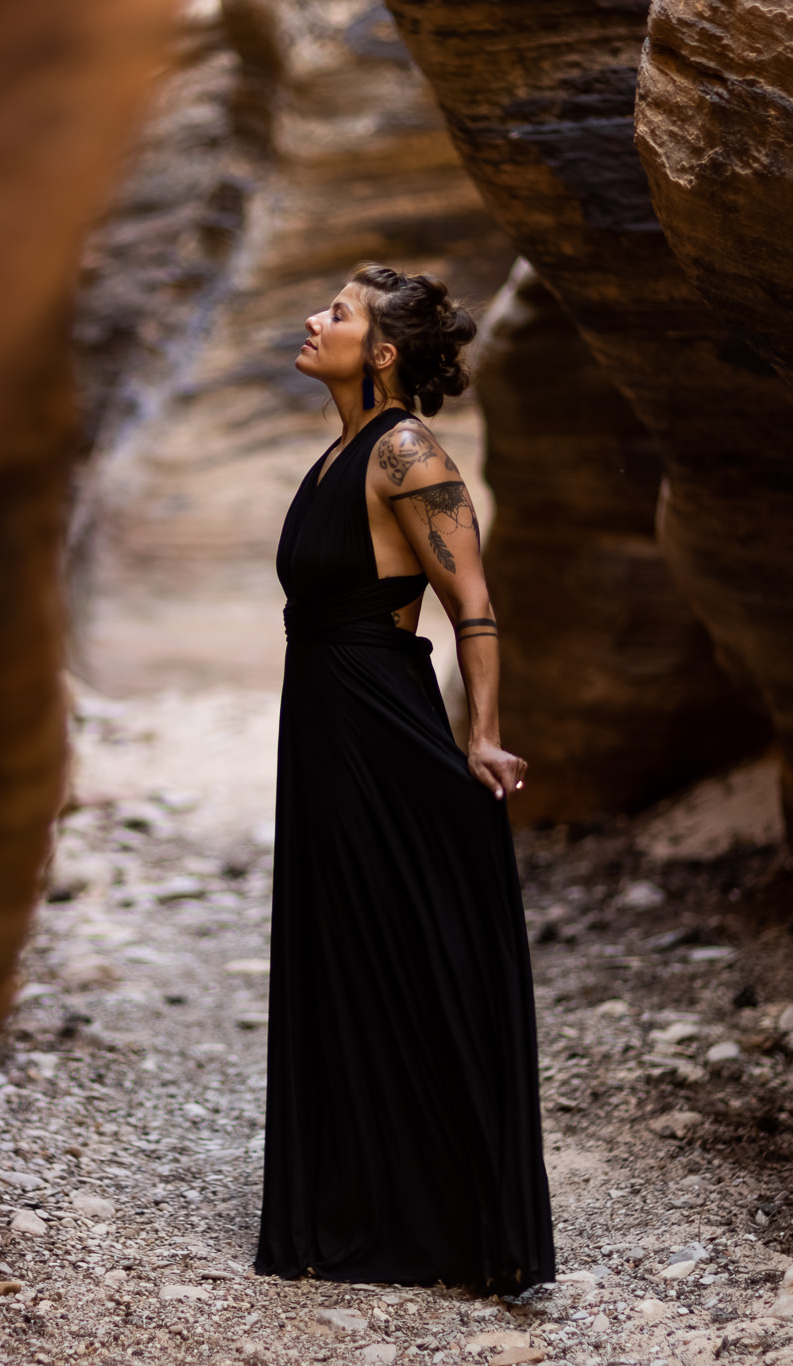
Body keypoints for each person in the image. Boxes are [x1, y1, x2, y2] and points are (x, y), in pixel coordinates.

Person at [252, 263, 556, 1292]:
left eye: (334, 314)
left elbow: (470, 597)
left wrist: (483, 736)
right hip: (324, 723)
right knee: (347, 950)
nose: (312, 320)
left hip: (381, 725)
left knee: (408, 946)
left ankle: (453, 1216)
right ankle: (362, 1200)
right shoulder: (338, 451)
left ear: (380, 350)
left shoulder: (405, 451)